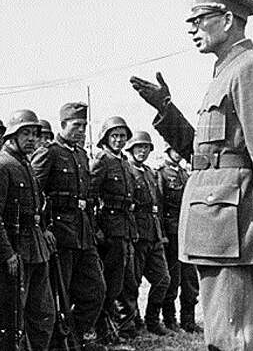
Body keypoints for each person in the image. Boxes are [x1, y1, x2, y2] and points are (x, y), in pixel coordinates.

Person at [130, 0, 253, 350]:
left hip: (237, 231)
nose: (192, 29)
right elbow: (206, 157)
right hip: (218, 231)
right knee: (223, 337)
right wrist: (166, 111)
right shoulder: (225, 72)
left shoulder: (250, 69)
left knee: (237, 340)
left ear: (227, 19)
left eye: (199, 19)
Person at [31, 102, 105, 347]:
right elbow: (33, 193)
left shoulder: (81, 155)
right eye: (76, 125)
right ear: (63, 125)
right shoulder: (49, 152)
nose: (82, 130)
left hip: (83, 233)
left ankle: (75, 336)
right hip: (60, 234)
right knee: (59, 295)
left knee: (96, 290)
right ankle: (61, 342)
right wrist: (43, 229)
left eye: (84, 126)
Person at [0, 109, 55, 350]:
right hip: (16, 251)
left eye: (35, 134)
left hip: (36, 248)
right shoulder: (1, 166)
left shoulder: (25, 164)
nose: (32, 139)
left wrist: (44, 229)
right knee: (12, 317)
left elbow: (37, 206)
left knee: (43, 313)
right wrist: (6, 253)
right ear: (12, 136)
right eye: (25, 133)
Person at [89, 116, 138, 342]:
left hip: (125, 227)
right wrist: (96, 228)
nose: (119, 140)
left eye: (122, 136)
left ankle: (120, 327)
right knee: (110, 283)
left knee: (125, 281)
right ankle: (104, 330)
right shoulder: (102, 161)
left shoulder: (124, 162)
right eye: (114, 136)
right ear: (105, 138)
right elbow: (89, 196)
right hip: (109, 229)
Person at [119, 131, 170, 336]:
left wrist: (161, 233)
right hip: (137, 233)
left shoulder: (150, 172)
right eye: (138, 147)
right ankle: (132, 322)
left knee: (163, 279)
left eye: (146, 147)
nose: (142, 151)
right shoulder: (127, 171)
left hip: (154, 234)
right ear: (130, 150)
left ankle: (152, 320)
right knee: (133, 282)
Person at [157, 144, 202, 333]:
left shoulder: (185, 174)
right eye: (175, 150)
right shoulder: (161, 174)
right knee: (173, 279)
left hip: (188, 234)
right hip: (172, 234)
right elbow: (158, 208)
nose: (178, 154)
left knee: (190, 279)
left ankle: (188, 320)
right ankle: (169, 320)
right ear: (167, 151)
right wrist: (162, 235)